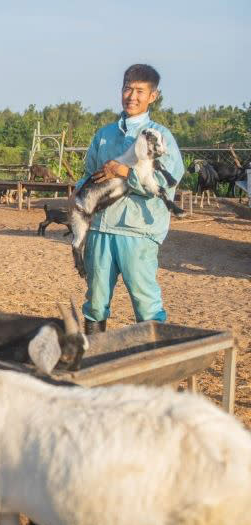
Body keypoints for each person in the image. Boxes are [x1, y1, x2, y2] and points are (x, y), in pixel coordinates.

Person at [76, 64, 184, 334]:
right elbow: (89, 175)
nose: (131, 96)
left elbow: (163, 183)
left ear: (153, 96)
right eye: (127, 88)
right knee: (95, 302)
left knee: (145, 303)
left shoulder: (160, 137)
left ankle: (153, 368)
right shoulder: (104, 135)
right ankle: (94, 362)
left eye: (140, 91)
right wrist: (78, 195)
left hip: (138, 230)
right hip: (101, 228)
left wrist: (126, 172)